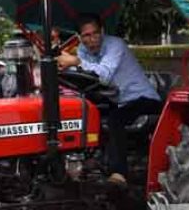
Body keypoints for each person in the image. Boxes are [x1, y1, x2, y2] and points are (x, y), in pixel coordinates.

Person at [57, 13, 161, 184]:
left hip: (142, 98)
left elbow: (103, 75)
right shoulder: (83, 50)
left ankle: (119, 174)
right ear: (79, 37)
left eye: (95, 33)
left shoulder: (115, 45)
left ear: (102, 31)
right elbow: (86, 76)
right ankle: (88, 161)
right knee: (87, 111)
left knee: (115, 119)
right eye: (86, 35)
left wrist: (76, 62)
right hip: (116, 100)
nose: (92, 39)